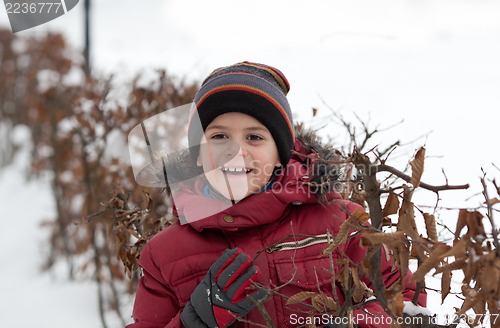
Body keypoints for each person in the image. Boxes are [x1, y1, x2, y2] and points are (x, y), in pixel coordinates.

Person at [126, 62, 426, 328]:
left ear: (281, 153)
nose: (236, 151)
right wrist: (193, 322)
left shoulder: (340, 222)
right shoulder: (164, 255)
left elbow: (405, 300)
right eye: (219, 136)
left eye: (254, 137)